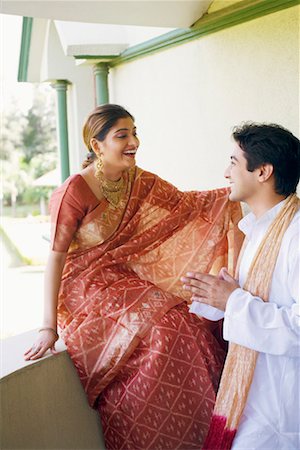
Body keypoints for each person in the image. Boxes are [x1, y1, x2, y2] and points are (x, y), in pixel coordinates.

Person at [24, 104, 242, 450]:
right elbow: (55, 259)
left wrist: (237, 194)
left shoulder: (134, 180)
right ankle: (143, 433)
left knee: (186, 325)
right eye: (121, 135)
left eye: (134, 132)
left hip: (116, 278)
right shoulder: (74, 191)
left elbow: (185, 207)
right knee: (163, 329)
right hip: (81, 290)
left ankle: (201, 434)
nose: (133, 142)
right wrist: (48, 327)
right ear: (97, 146)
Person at [182, 123, 300, 450]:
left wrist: (233, 301)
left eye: (233, 162)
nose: (225, 172)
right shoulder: (258, 230)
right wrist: (224, 297)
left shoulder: (296, 235)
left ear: (262, 171)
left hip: (283, 411)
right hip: (254, 399)